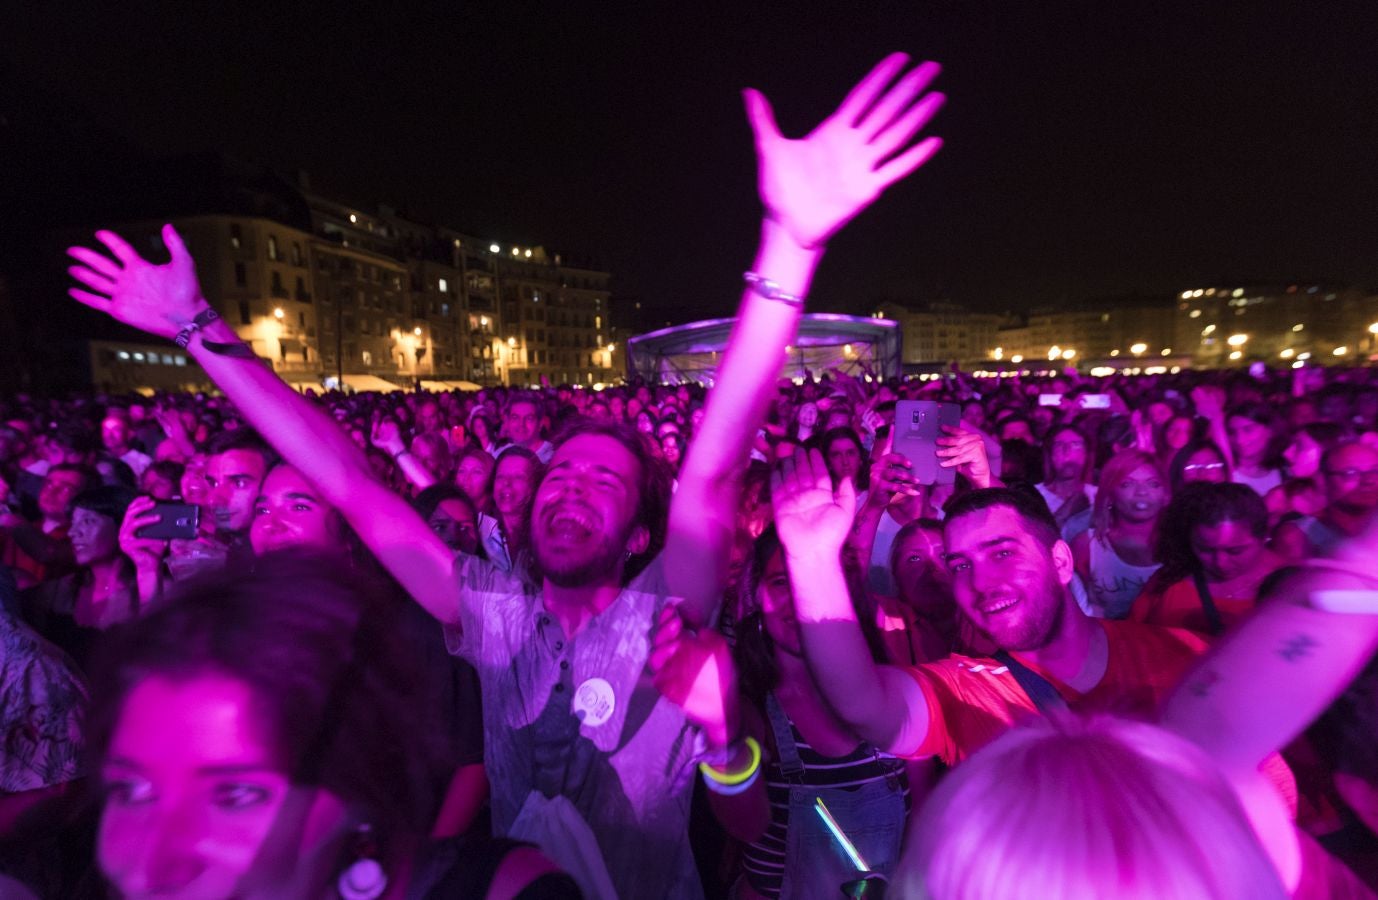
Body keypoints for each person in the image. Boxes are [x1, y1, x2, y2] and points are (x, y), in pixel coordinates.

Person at [68, 52, 948, 898]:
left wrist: (790, 246)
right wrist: (196, 331)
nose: (569, 486)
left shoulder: (669, 615)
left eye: (603, 481)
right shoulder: (487, 615)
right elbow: (349, 484)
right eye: (560, 472)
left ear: (641, 532)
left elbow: (754, 825)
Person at [86, 555, 575, 898]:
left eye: (234, 795)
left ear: (358, 788)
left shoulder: (504, 890)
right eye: (131, 790)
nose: (151, 865)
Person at [1131, 481, 1285, 635]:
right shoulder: (1170, 581)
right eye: (1205, 549)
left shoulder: (1290, 585)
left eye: (1235, 551)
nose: (1220, 563)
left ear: (1264, 536)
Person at [20, 485, 139, 671]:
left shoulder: (154, 586)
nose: (73, 533)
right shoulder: (57, 591)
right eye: (74, 523)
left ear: (123, 524)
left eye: (88, 521)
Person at [1070, 450, 1167, 619]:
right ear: (1110, 495)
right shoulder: (1087, 545)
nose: (1142, 492)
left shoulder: (1183, 543)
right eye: (1127, 484)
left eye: (1153, 484)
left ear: (1166, 494)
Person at [1275, 442, 1378, 560]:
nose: (1369, 481)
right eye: (1351, 474)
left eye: (1375, 472)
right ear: (1322, 481)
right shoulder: (1298, 535)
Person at [1035, 423, 1096, 530]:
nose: (1067, 451)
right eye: (1059, 445)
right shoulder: (1034, 495)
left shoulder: (1098, 495)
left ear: (1086, 454)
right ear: (1050, 455)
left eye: (1076, 444)